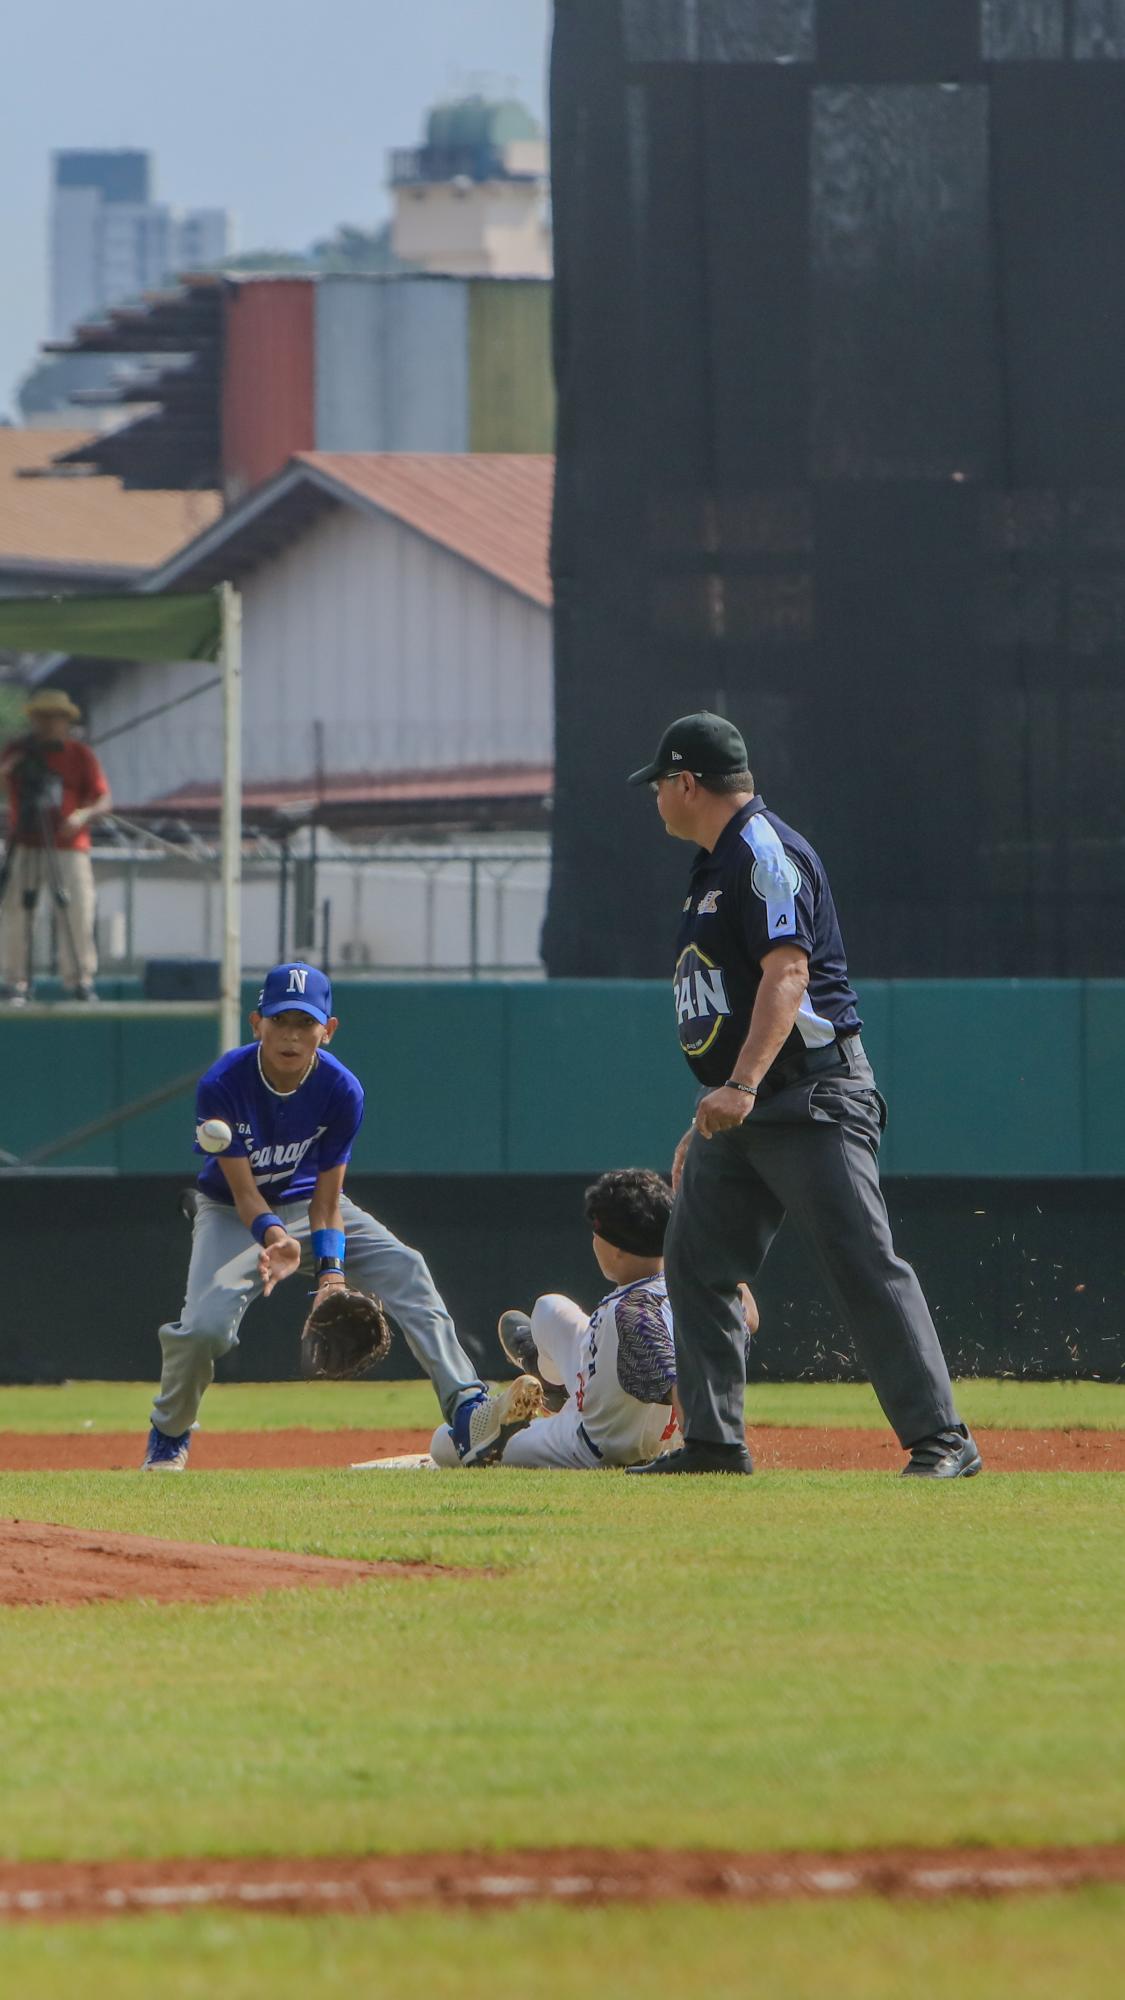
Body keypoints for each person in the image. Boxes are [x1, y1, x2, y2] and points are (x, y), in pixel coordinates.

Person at [623, 712, 981, 1480]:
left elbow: (788, 975)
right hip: (744, 1110)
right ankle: (715, 1445)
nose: (654, 796)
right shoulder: (714, 863)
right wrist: (723, 1100)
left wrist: (743, 1084)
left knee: (861, 1261)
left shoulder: (762, 852)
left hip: (810, 1097)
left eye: (659, 782)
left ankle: (944, 1440)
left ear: (686, 782)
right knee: (695, 1262)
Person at [143, 960, 540, 1470]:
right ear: (256, 1023)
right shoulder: (223, 1084)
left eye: (305, 1023)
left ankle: (467, 1411)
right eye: (280, 1020)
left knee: (406, 1266)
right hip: (232, 1213)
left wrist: (331, 1277)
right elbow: (243, 1195)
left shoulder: (341, 1090)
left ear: (327, 1031)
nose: (291, 1035)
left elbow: (328, 1202)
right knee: (204, 1331)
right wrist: (274, 1236)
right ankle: (169, 1434)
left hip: (313, 1207)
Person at [430, 1169, 683, 1470]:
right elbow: (750, 1317)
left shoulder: (632, 1315)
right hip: (629, 1410)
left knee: (445, 1440)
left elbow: (675, 1379)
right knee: (549, 1308)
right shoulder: (690, 1287)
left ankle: (541, 1407)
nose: (593, 1241)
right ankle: (552, 1382)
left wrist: (702, 1449)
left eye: (596, 1233)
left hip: (587, 1446)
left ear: (617, 1249)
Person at [0, 688, 111, 1003]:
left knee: (76, 909)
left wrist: (81, 816)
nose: (49, 724)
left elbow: (103, 798)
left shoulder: (79, 755)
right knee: (16, 911)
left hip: (68, 844)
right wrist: (10, 770)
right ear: (33, 719)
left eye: (55, 717)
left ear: (66, 721)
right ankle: (14, 979)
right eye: (43, 717)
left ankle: (79, 978)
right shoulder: (17, 752)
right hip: (25, 841)